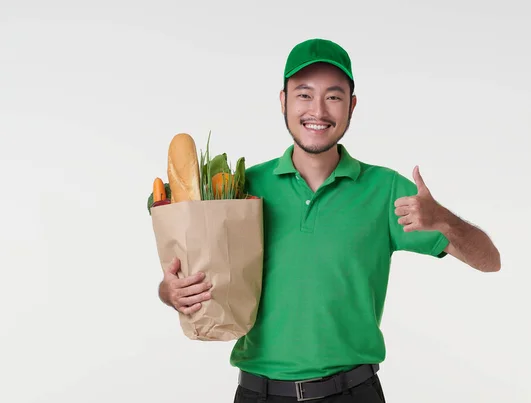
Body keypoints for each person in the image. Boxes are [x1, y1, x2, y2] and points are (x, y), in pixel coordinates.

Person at [158, 38, 501, 402]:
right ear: (283, 101)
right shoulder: (240, 189)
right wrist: (170, 292)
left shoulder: (386, 190)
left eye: (333, 97)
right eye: (304, 95)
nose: (318, 110)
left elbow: (490, 261)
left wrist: (444, 220)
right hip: (258, 393)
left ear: (351, 106)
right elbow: (197, 277)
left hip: (352, 393)